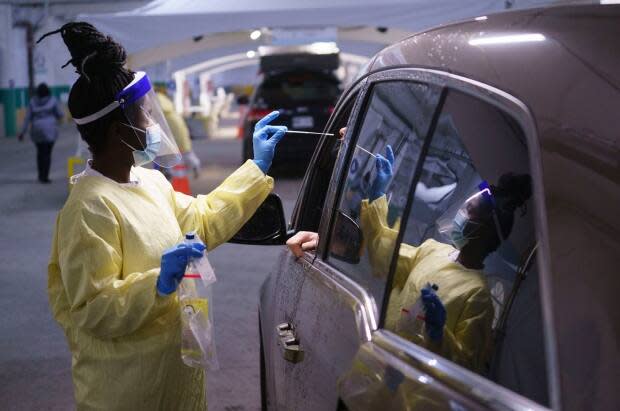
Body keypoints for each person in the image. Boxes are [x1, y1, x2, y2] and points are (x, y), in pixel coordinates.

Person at [40, 22, 286, 411]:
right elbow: (93, 308)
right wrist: (157, 284)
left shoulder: (149, 182)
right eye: (145, 115)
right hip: (126, 391)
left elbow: (203, 219)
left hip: (175, 377)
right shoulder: (89, 208)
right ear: (120, 131)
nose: (153, 124)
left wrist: (255, 168)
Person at [288, 146, 531, 373]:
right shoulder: (433, 251)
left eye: (469, 213)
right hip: (378, 370)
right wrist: (377, 197)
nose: (460, 214)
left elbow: (467, 365)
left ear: (484, 232)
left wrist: (439, 335)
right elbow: (383, 255)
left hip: (416, 398)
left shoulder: (478, 297)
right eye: (465, 208)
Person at [18, 82, 64, 183]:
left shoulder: (32, 101)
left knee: (40, 153)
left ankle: (40, 175)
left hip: (36, 130)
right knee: (47, 153)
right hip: (50, 130)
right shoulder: (53, 100)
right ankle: (45, 177)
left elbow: (27, 118)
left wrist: (22, 132)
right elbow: (60, 114)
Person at [156, 90, 202, 177]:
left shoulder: (164, 116)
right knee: (186, 152)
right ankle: (195, 165)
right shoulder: (172, 113)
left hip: (175, 139)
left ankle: (170, 173)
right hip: (182, 135)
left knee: (172, 155)